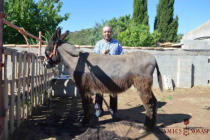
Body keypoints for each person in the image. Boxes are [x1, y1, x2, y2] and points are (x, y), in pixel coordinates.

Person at [93, 25, 123, 120]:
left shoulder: (117, 44)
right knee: (99, 91)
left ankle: (113, 111)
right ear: (103, 33)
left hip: (113, 73)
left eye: (109, 32)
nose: (107, 33)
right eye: (105, 32)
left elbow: (122, 57)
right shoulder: (99, 44)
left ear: (112, 33)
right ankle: (98, 109)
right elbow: (94, 58)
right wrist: (101, 54)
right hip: (101, 72)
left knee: (113, 92)